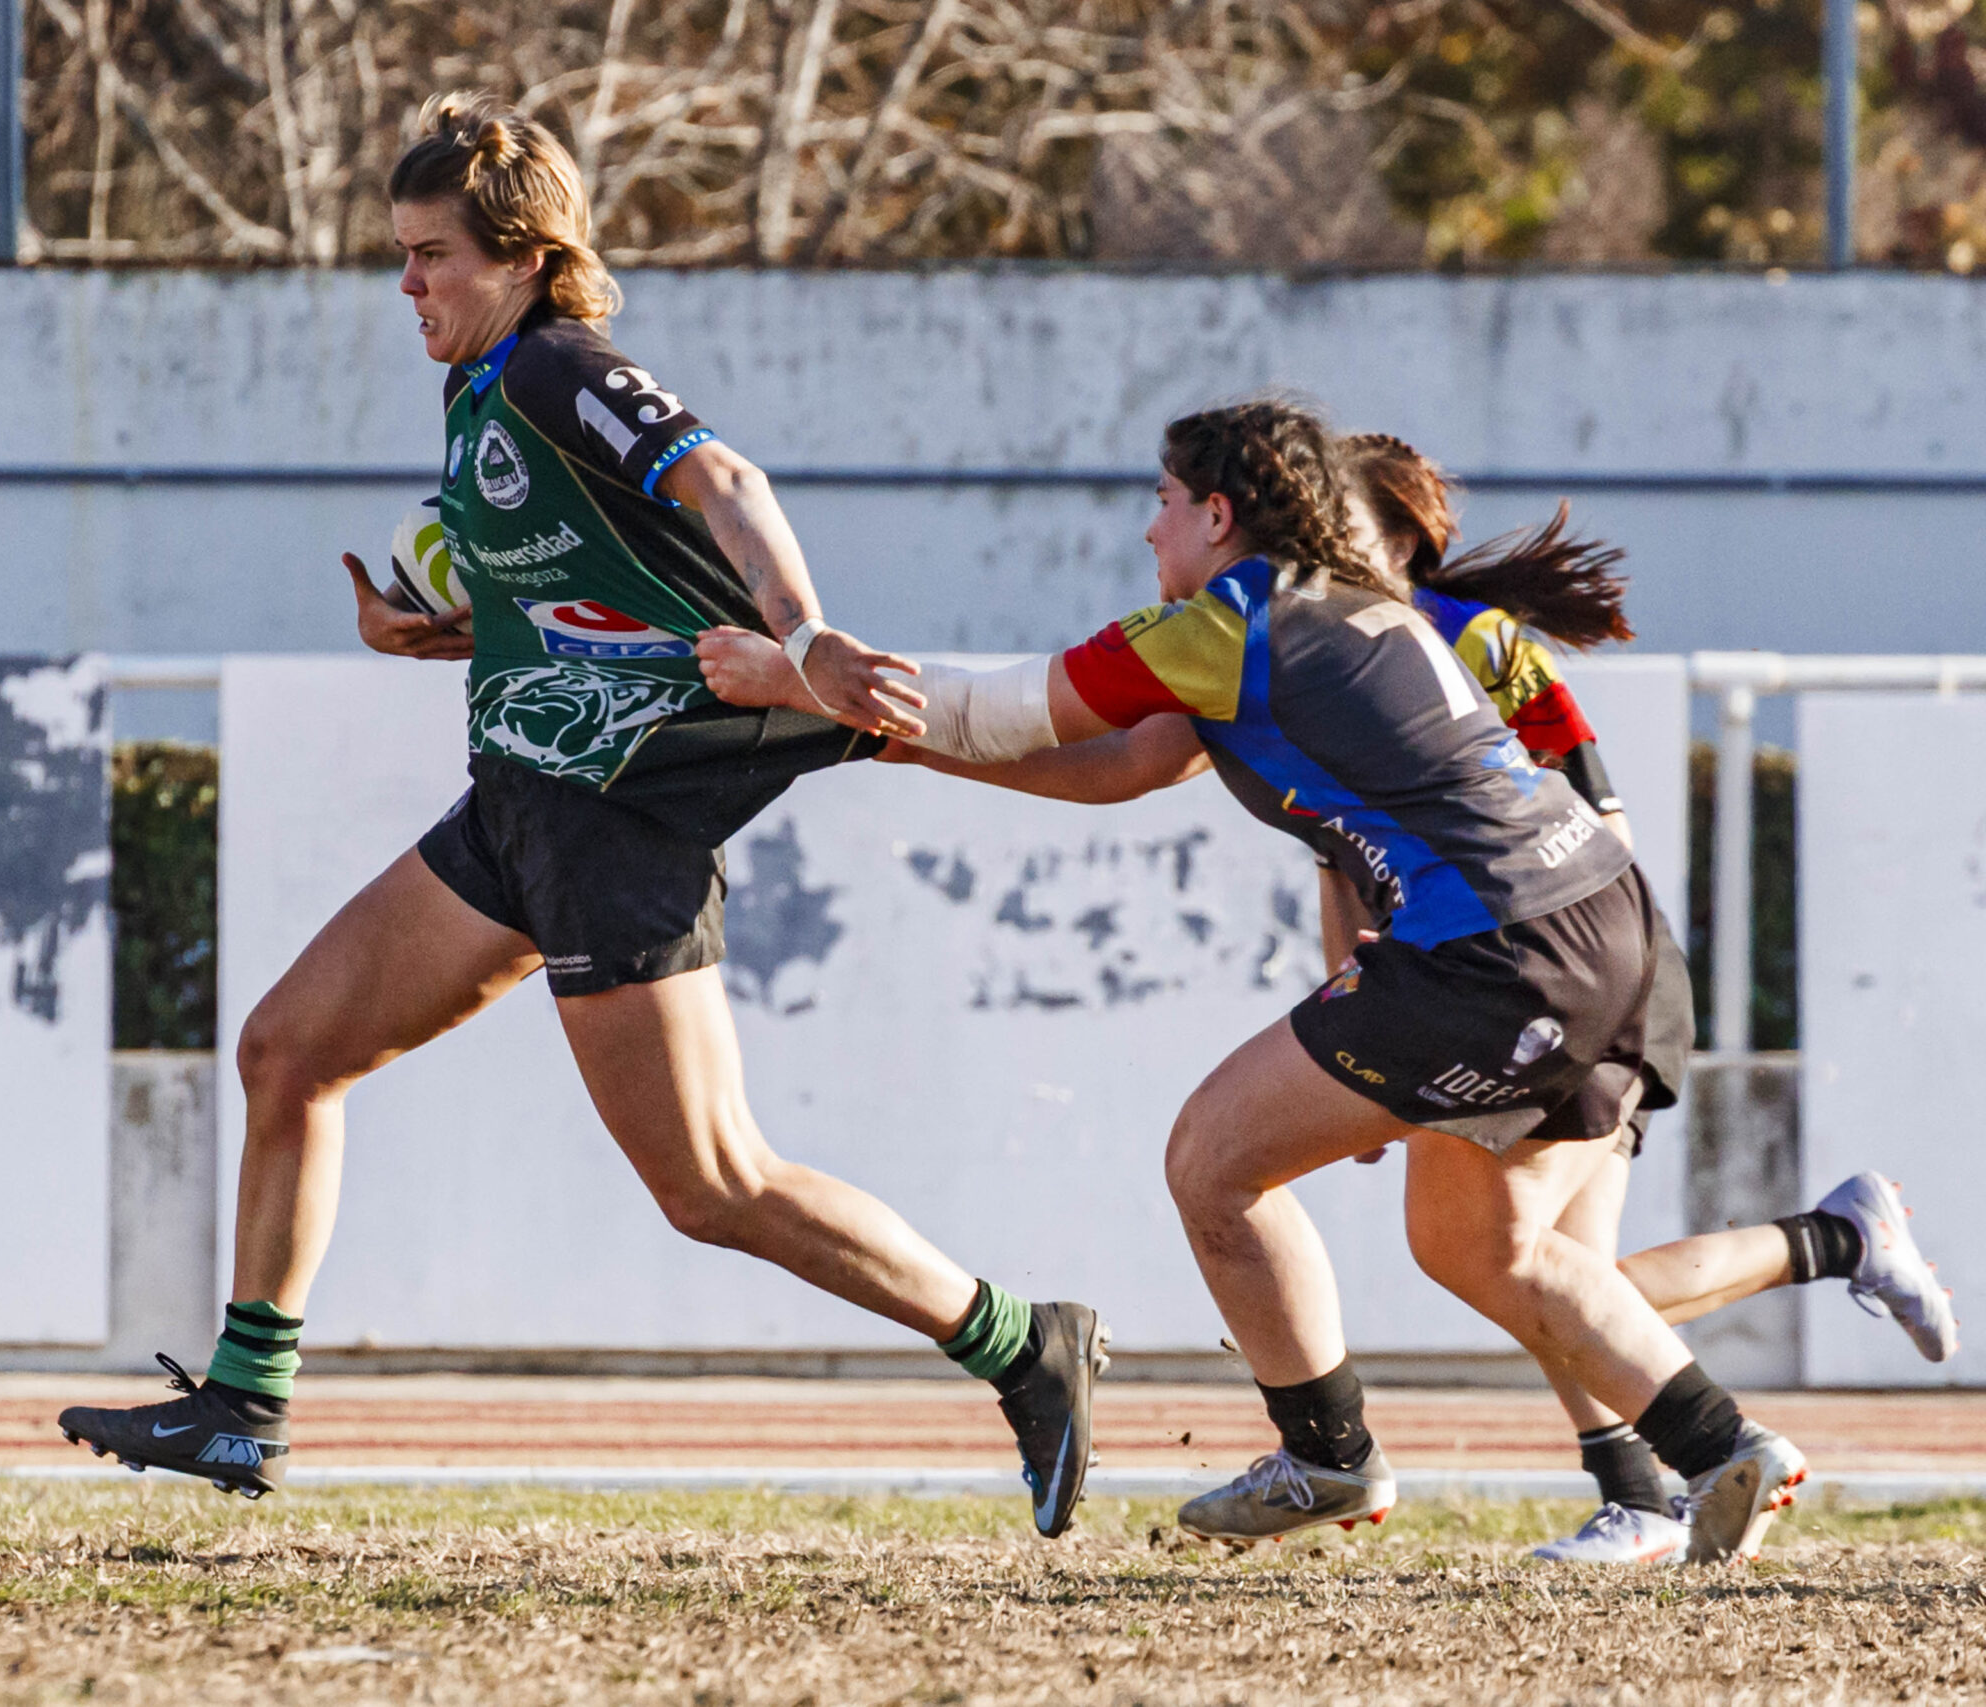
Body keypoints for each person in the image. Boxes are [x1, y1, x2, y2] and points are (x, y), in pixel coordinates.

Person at [58, 94, 1111, 1539]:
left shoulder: (558, 363)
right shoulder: (477, 385)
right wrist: (448, 628)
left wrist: (803, 640)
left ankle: (1018, 1340)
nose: (406, 283)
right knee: (290, 1048)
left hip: (617, 817)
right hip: (519, 804)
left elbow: (724, 481)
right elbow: (575, 580)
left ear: (524, 256)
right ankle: (245, 1407)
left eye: (430, 254)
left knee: (713, 1179)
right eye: (402, 253)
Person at [695, 398, 1810, 1565]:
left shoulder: (1226, 619)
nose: (1148, 532)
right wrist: (890, 737)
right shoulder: (1360, 610)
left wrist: (801, 678)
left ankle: (1327, 1457)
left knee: (1213, 1161)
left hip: (1488, 946)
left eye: (1165, 503)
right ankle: (1722, 1446)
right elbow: (1123, 766)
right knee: (1478, 1246)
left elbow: (987, 711)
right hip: (1602, 920)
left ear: (1218, 513)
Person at [1335, 434, 1957, 1564]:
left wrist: (1524, 972)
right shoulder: (1324, 661)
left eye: (1326, 523)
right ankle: (1827, 1247)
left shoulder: (1471, 641)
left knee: (1522, 1266)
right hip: (1483, 979)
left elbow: (1594, 825)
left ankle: (1650, 1483)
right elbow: (1341, 861)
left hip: (1560, 973)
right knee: (1572, 1282)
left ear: (1394, 539)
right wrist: (1365, 1020)